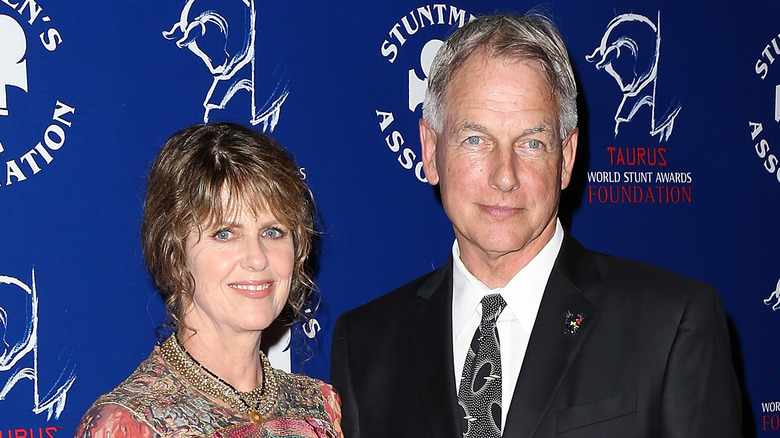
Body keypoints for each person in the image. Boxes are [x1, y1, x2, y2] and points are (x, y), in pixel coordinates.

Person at [330, 12, 742, 438]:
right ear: (431, 151)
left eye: (531, 142)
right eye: (476, 139)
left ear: (565, 158)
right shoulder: (365, 344)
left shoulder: (671, 324)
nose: (504, 175)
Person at [76, 122, 342, 437]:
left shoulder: (319, 406)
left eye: (273, 232)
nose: (257, 258)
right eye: (225, 233)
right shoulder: (127, 424)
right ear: (174, 255)